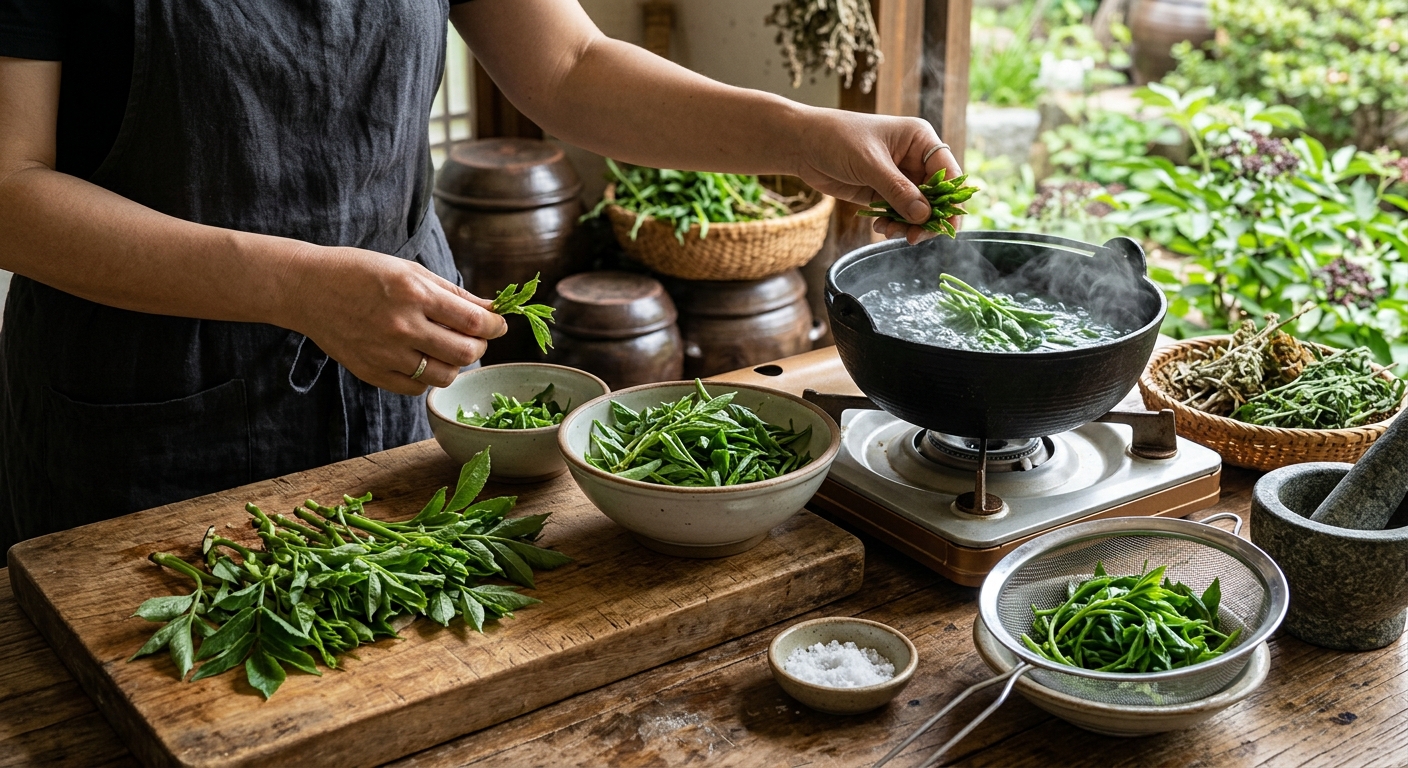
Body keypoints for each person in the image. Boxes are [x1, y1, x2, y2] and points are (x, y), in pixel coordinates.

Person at [0, 0, 961, 554]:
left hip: (401, 375)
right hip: (145, 405)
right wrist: (294, 287)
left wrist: (801, 136)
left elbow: (571, 64)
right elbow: (9, 185)